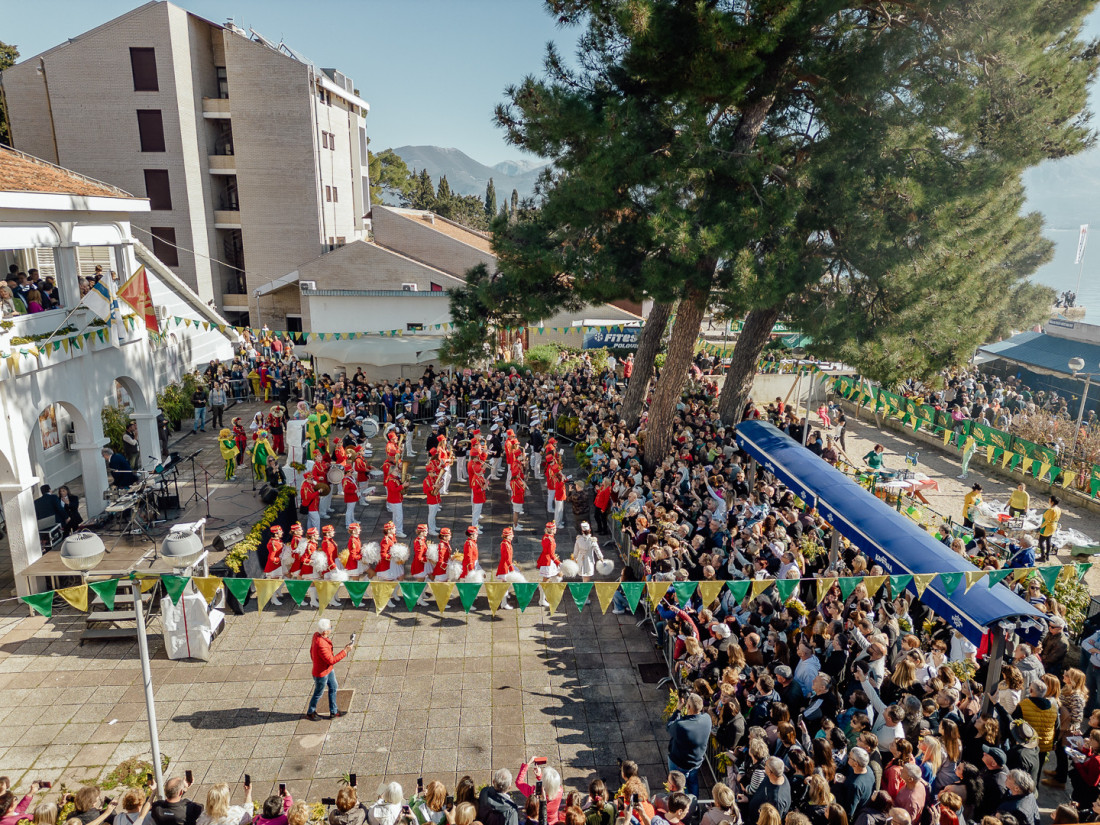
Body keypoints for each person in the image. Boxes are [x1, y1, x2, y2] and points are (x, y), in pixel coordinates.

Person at [666, 692, 712, 797]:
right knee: (693, 782)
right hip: (696, 762)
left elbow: (669, 726)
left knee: (679, 785)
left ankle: (684, 806)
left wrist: (678, 710)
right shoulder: (707, 719)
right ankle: (694, 805)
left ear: (688, 706)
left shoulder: (681, 726)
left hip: (680, 762)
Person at [306, 617, 352, 721]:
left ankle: (334, 711)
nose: (331, 628)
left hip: (327, 669)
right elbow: (331, 660)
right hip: (321, 673)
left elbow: (312, 651)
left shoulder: (316, 636)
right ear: (325, 631)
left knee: (334, 687)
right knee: (318, 693)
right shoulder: (322, 644)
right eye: (330, 627)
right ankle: (310, 712)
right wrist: (345, 651)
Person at [1038, 496, 1061, 561]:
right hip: (1054, 526)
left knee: (1041, 541)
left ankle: (1042, 557)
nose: (1049, 501)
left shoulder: (1051, 510)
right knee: (1048, 541)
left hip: (1047, 527)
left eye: (1049, 500)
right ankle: (1047, 555)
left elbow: (1047, 520)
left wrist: (1040, 527)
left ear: (1052, 502)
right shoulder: (1058, 509)